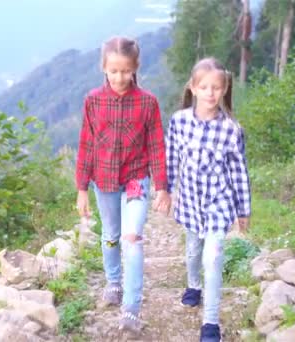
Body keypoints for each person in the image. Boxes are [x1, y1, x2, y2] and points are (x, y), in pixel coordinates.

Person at [75, 35, 170, 332]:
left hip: (135, 180)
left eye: (125, 71)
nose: (119, 77)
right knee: (111, 236)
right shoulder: (93, 101)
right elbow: (86, 145)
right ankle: (113, 282)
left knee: (132, 238)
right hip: (103, 181)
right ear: (103, 67)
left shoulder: (147, 103)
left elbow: (156, 145)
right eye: (113, 71)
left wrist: (162, 186)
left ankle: (131, 308)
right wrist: (81, 189)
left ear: (135, 67)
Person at [165, 57, 251, 342]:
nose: (211, 93)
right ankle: (193, 285)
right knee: (193, 250)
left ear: (225, 89)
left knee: (212, 258)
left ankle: (210, 323)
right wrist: (165, 190)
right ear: (193, 87)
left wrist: (243, 210)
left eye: (217, 87)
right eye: (204, 87)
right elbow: (172, 158)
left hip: (219, 201)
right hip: (190, 201)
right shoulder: (179, 122)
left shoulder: (231, 129)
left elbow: (238, 171)